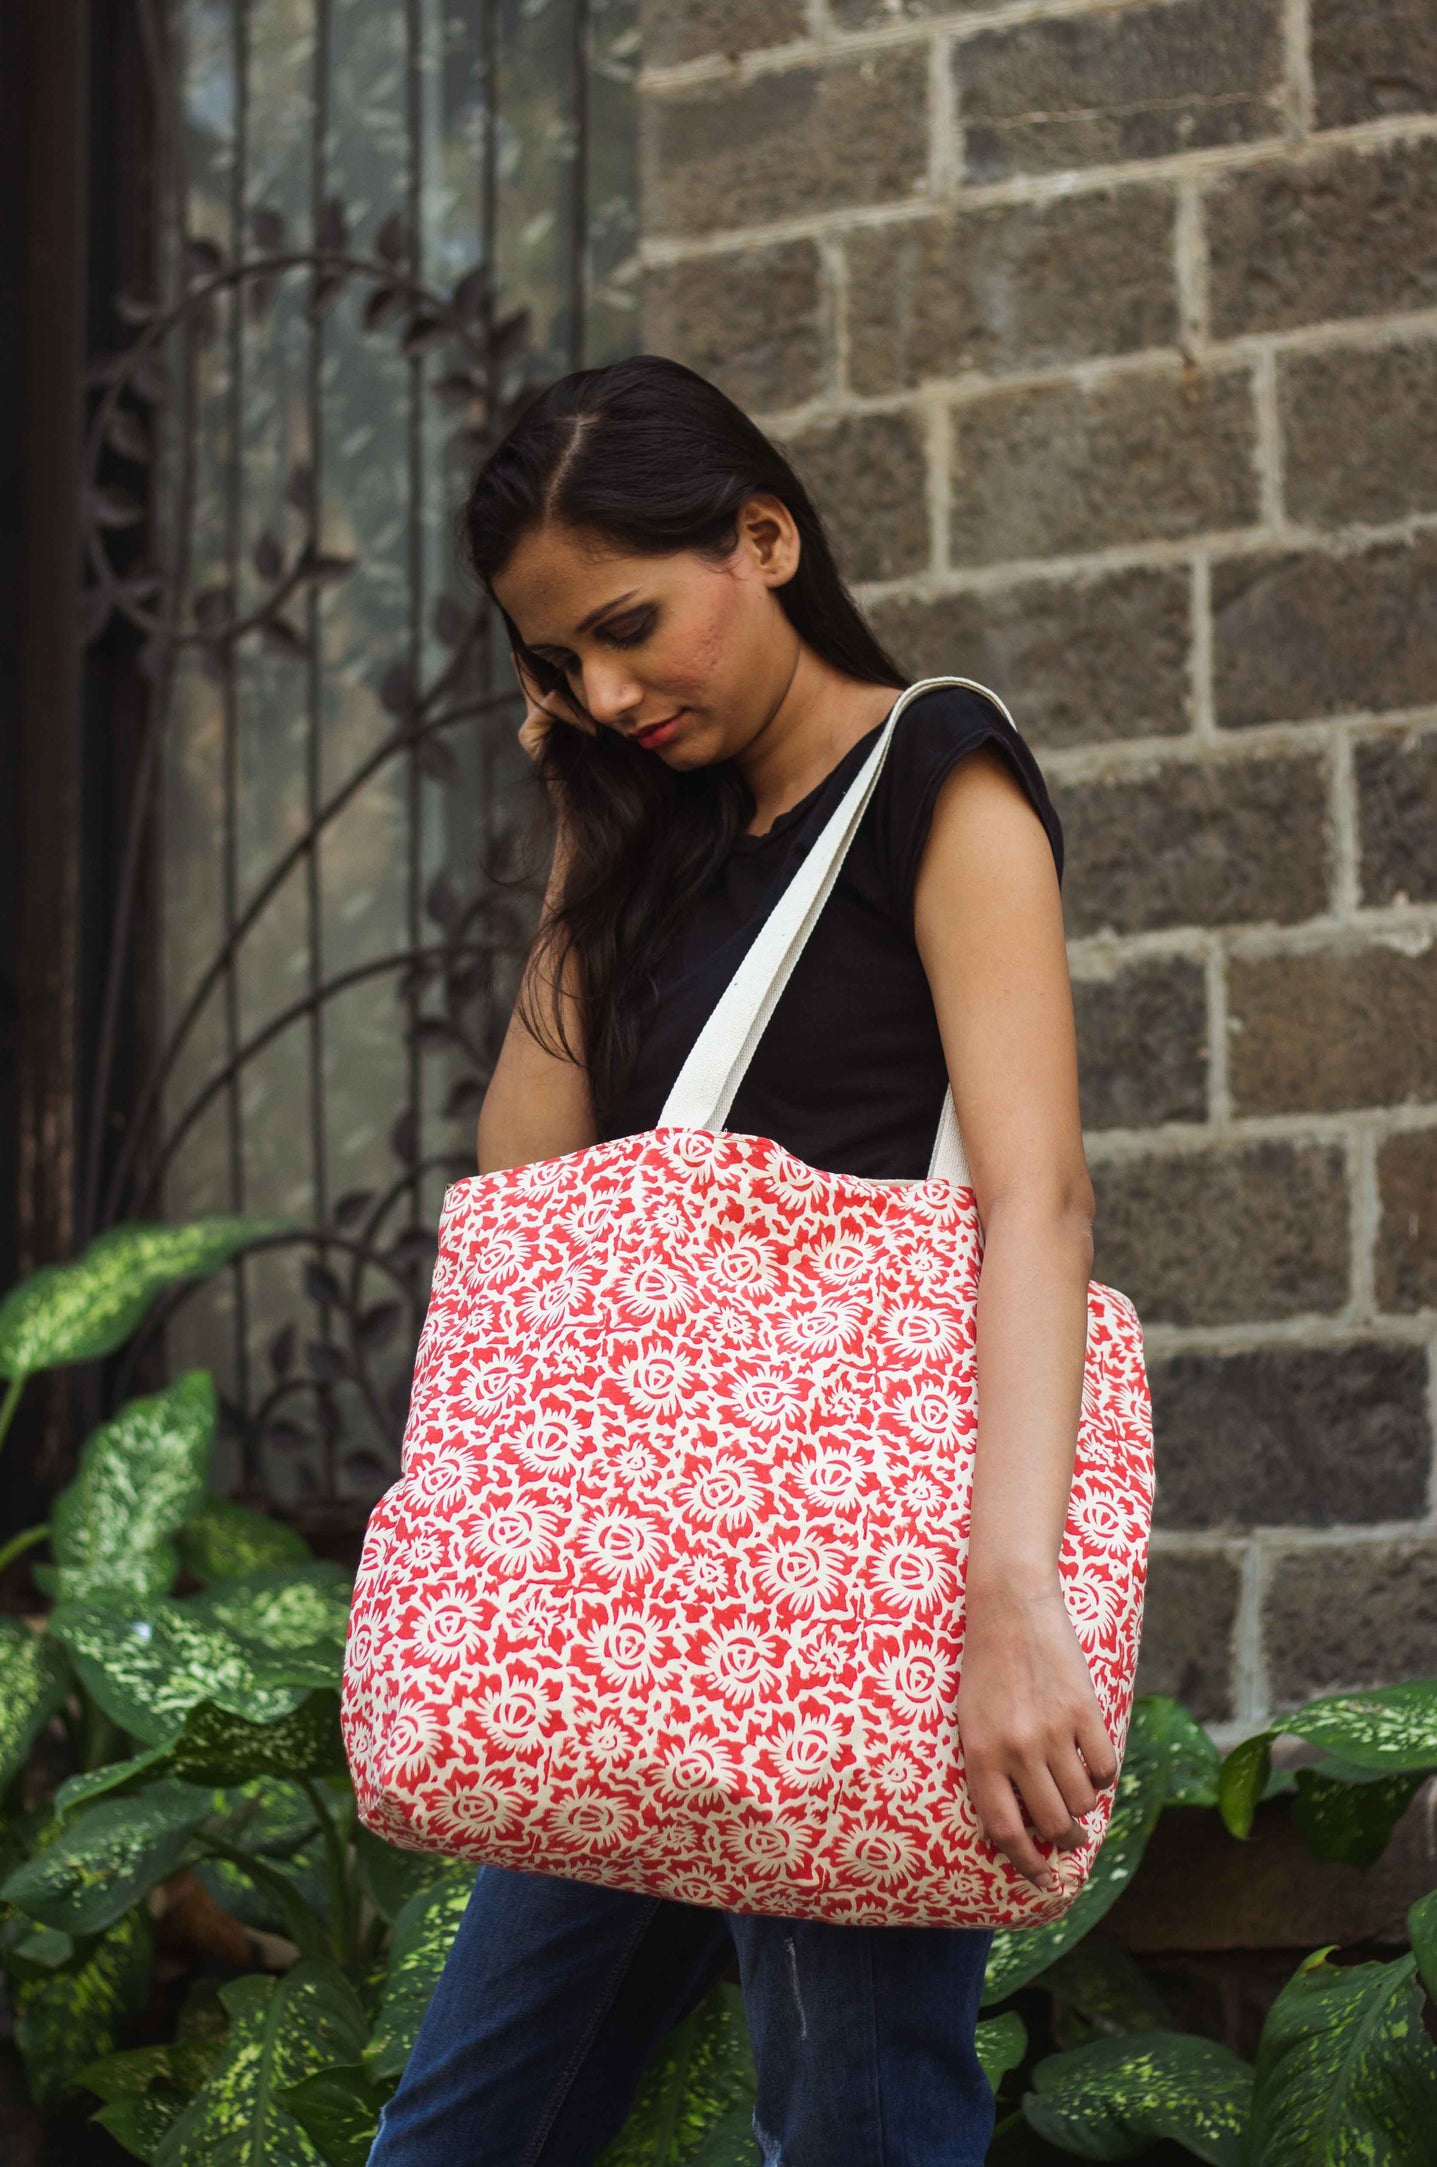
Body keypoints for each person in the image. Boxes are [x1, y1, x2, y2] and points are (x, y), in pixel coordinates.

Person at [367, 354, 1117, 2167]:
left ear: (762, 537)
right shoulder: (655, 837)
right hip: (637, 1609)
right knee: (460, 2136)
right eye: (559, 665)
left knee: (857, 2124)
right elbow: (527, 1188)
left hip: (857, 1596)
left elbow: (1038, 1200)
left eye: (629, 627)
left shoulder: (940, 768)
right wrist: (578, 844)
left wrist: (1009, 1595)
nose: (605, 691)